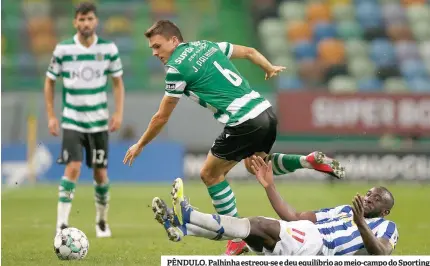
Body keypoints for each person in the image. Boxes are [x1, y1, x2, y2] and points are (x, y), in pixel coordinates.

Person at [123, 20, 346, 255]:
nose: (156, 53)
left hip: (243, 121)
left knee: (210, 174)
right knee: (258, 167)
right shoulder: (207, 46)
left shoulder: (176, 69)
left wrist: (140, 144)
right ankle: (307, 161)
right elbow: (249, 52)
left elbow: (161, 117)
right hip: (265, 111)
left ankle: (236, 239)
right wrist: (269, 67)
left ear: (174, 41)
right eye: (152, 49)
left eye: (158, 46)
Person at [152, 157, 398, 256]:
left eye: (376, 200)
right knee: (250, 235)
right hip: (307, 236)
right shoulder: (345, 209)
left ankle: (189, 214)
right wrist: (269, 186)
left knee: (256, 224)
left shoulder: (387, 226)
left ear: (385, 210)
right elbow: (293, 216)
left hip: (320, 247)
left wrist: (361, 224)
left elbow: (382, 254)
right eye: (368, 194)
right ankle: (183, 228)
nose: (368, 199)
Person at [44, 2, 125, 237]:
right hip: (72, 120)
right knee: (73, 167)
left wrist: (118, 113)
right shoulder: (63, 50)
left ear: (96, 21)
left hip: (99, 122)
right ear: (74, 22)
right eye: (81, 19)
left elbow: (118, 82)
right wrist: (51, 115)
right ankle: (61, 223)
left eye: (89, 19)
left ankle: (101, 221)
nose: (85, 23)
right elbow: (49, 81)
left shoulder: (109, 49)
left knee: (100, 173)